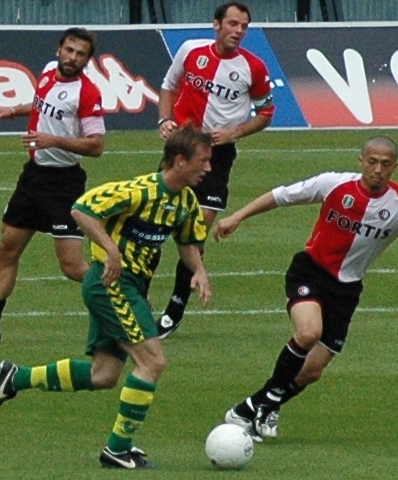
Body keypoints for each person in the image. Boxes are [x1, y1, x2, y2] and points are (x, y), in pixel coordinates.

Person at [0, 124, 213, 469]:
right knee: (153, 363)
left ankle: (14, 378)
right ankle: (117, 449)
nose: (208, 168)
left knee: (102, 375)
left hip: (131, 288)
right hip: (111, 285)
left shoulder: (185, 203)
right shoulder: (139, 191)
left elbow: (186, 241)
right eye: (204, 160)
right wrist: (110, 249)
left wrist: (198, 270)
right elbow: (82, 209)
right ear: (180, 161)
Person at [214, 136, 398, 441]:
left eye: (385, 164)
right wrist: (237, 217)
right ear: (361, 161)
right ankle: (256, 406)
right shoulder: (334, 184)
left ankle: (261, 405)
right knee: (308, 333)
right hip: (310, 272)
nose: (378, 169)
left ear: (395, 166)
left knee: (312, 371)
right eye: (372, 161)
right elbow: (282, 196)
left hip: (346, 290)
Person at [0, 27, 105, 345]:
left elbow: (96, 146)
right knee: (7, 247)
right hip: (33, 177)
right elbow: (42, 104)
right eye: (69, 50)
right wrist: (14, 110)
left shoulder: (87, 92)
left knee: (73, 266)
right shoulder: (49, 72)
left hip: (64, 183)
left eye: (80, 54)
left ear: (87, 60)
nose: (73, 57)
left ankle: (129, 299)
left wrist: (55, 140)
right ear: (59, 49)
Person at [154, 1, 275, 339]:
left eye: (244, 26)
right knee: (152, 220)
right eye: (233, 24)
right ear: (217, 25)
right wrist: (165, 119)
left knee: (196, 229)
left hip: (216, 157)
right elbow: (168, 84)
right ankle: (138, 297)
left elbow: (266, 113)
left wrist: (235, 132)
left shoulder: (253, 67)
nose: (238, 31)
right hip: (180, 149)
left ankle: (175, 308)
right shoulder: (191, 50)